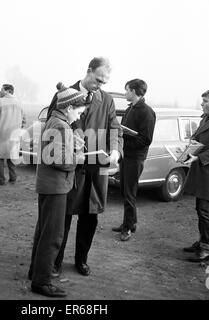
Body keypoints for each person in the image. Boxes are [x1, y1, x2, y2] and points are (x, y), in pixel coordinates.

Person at [49, 57, 124, 277]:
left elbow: (115, 128)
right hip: (70, 166)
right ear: (88, 71)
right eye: (98, 79)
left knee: (90, 216)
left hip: (96, 168)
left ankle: (81, 259)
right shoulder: (64, 93)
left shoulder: (107, 100)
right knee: (63, 216)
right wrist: (72, 139)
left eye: (104, 82)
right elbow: (54, 123)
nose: (100, 85)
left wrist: (116, 150)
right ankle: (55, 262)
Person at [28, 86, 86, 298]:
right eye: (78, 112)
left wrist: (75, 147)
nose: (79, 116)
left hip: (49, 185)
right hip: (55, 187)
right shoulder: (60, 125)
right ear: (69, 107)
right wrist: (78, 159)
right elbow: (57, 159)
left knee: (43, 231)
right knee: (53, 236)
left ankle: (36, 272)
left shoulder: (56, 122)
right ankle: (41, 282)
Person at [112, 79, 156, 241]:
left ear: (134, 91)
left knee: (129, 193)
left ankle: (127, 228)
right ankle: (131, 222)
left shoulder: (146, 111)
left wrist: (125, 142)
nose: (125, 93)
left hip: (135, 158)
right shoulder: (131, 109)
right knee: (125, 190)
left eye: (127, 90)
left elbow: (146, 139)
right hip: (127, 156)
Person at [183, 88, 209, 262]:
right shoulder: (206, 118)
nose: (202, 104)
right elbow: (198, 140)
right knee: (200, 209)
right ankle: (202, 241)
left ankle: (206, 248)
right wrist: (188, 150)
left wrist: (197, 156)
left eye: (206, 102)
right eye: (202, 101)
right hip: (202, 171)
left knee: (205, 211)